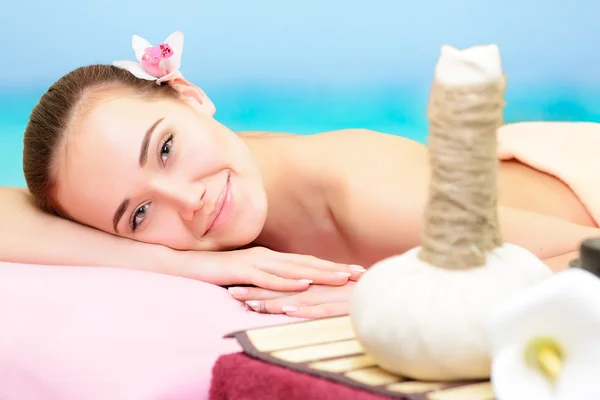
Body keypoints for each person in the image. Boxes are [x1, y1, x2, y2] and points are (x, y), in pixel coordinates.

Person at [12, 33, 600, 318]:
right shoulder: (211, 226)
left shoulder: (360, 190)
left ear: (190, 96)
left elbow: (589, 259)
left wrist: (377, 295)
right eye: (138, 214)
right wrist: (182, 262)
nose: (185, 201)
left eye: (164, 149)